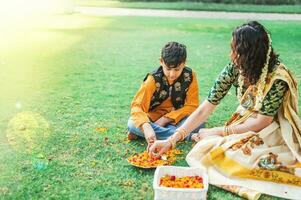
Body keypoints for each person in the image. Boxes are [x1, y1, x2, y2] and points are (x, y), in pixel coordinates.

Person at [149, 21, 301, 199]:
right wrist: (171, 140)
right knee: (208, 150)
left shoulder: (277, 78)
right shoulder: (235, 67)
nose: (231, 55)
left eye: (236, 50)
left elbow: (263, 121)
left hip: (272, 129)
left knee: (239, 158)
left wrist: (218, 131)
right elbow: (206, 106)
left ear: (250, 54)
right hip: (243, 122)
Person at [127, 41, 204, 149]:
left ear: (184, 63)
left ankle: (149, 133)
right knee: (132, 123)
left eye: (177, 69)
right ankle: (187, 136)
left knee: (199, 122)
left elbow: (192, 105)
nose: (172, 74)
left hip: (176, 118)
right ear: (161, 61)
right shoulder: (152, 79)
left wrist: (165, 119)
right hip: (153, 118)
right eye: (168, 69)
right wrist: (146, 126)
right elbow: (137, 106)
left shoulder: (190, 76)